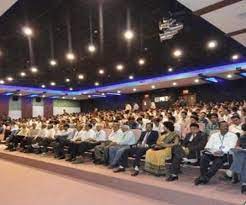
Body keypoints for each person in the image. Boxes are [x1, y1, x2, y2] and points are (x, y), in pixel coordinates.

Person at [194, 121, 238, 185]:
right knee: (204, 158)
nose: (226, 127)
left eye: (227, 126)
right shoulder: (214, 135)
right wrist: (212, 151)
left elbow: (232, 147)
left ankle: (205, 177)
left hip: (225, 154)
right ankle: (203, 176)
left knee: (218, 161)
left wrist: (221, 151)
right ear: (219, 127)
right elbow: (208, 146)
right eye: (223, 126)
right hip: (212, 153)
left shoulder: (233, 136)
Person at [230, 123, 246, 194]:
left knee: (242, 157)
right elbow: (237, 146)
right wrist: (238, 148)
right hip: (244, 153)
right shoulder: (242, 137)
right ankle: (244, 183)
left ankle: (233, 171)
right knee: (240, 155)